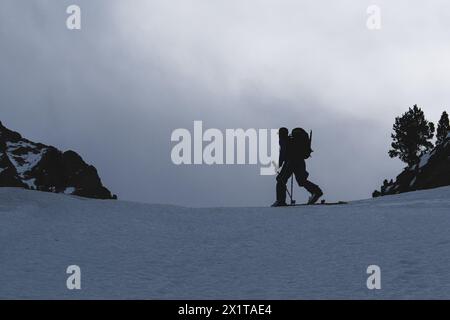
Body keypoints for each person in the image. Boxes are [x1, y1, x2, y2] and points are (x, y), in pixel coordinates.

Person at [271, 127, 323, 207]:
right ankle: (316, 191)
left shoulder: (284, 140)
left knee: (280, 180)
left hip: (290, 162)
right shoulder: (292, 140)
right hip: (300, 161)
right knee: (301, 180)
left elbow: (283, 152)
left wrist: (279, 164)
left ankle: (280, 201)